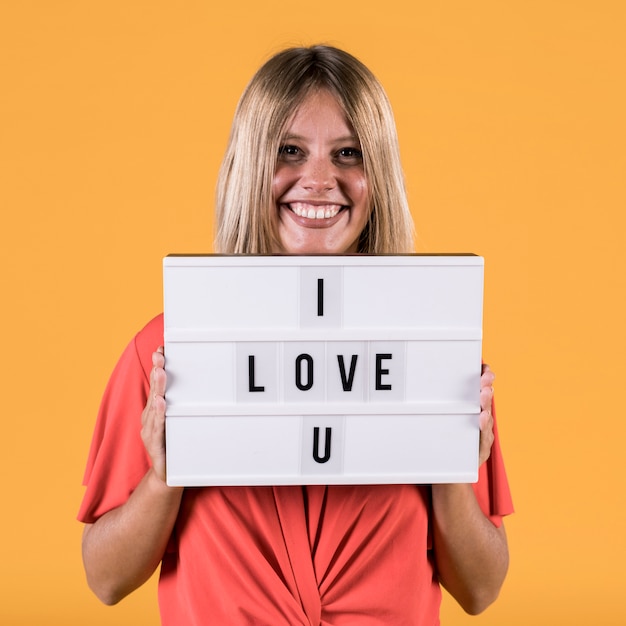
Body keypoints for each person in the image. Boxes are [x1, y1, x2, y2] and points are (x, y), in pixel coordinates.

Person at [79, 45, 513, 625]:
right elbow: (105, 579)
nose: (318, 180)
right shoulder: (167, 351)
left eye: (348, 154)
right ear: (249, 166)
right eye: (289, 151)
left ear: (377, 176)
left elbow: (481, 590)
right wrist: (163, 476)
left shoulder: (432, 346)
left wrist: (452, 473)